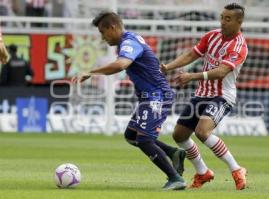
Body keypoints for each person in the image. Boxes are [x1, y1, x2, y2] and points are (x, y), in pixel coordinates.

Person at [72, 11, 186, 190]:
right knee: (131, 136)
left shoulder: (129, 42)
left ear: (113, 27)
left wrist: (91, 72)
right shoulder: (128, 41)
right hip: (149, 96)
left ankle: (175, 178)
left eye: (103, 32)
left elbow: (120, 65)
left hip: (157, 96)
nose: (103, 38)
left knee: (145, 140)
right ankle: (173, 153)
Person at [160, 3, 248, 190]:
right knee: (179, 135)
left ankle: (236, 169)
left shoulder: (239, 46)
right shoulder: (212, 36)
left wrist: (192, 76)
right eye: (222, 17)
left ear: (239, 21)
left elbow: (222, 72)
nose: (223, 22)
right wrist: (168, 66)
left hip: (222, 96)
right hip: (202, 94)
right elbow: (192, 54)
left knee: (202, 131)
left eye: (228, 19)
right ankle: (203, 172)